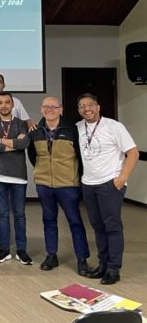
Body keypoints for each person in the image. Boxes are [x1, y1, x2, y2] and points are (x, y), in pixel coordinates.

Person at [77, 93, 139, 285]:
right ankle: (102, 265)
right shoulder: (78, 127)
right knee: (97, 227)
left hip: (109, 184)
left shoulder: (114, 126)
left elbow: (133, 153)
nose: (86, 109)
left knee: (112, 227)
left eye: (90, 105)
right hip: (88, 184)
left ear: (98, 107)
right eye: (82, 106)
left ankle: (113, 269)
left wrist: (123, 178)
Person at [28, 96, 89, 275]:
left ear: (61, 109)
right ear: (41, 110)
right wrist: (43, 171)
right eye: (46, 107)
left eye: (54, 107)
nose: (50, 109)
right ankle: (51, 255)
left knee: (75, 221)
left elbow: (80, 157)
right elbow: (33, 156)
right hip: (44, 183)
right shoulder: (36, 131)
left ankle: (82, 258)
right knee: (48, 220)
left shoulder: (72, 130)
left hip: (67, 184)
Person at [0, 91, 32, 265]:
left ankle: (21, 250)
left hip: (18, 176)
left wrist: (1, 140)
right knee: (3, 214)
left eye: (7, 102)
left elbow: (24, 144)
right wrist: (12, 142)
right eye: (0, 102)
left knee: (20, 215)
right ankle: (4, 250)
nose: (4, 105)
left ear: (13, 105)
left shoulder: (20, 124)